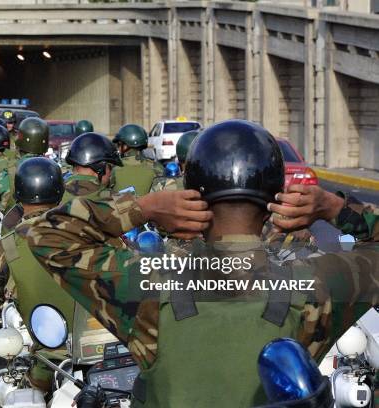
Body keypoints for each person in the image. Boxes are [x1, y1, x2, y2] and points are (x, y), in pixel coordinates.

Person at [28, 119, 378, 407]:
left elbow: (45, 234)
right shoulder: (316, 286)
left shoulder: (145, 285)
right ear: (276, 194)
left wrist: (145, 208)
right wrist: (334, 208)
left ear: (191, 194)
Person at [0, 157, 69, 388]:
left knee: (19, 395)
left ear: (18, 194)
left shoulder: (4, 247)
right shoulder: (90, 232)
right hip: (101, 348)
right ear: (59, 191)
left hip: (50, 360)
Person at [61, 132, 122, 203]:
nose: (111, 173)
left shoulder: (55, 193)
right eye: (110, 167)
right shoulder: (115, 201)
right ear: (100, 168)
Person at [111, 123, 162, 195]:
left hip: (120, 205)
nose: (118, 148)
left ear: (125, 146)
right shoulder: (157, 167)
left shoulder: (114, 168)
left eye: (119, 144)